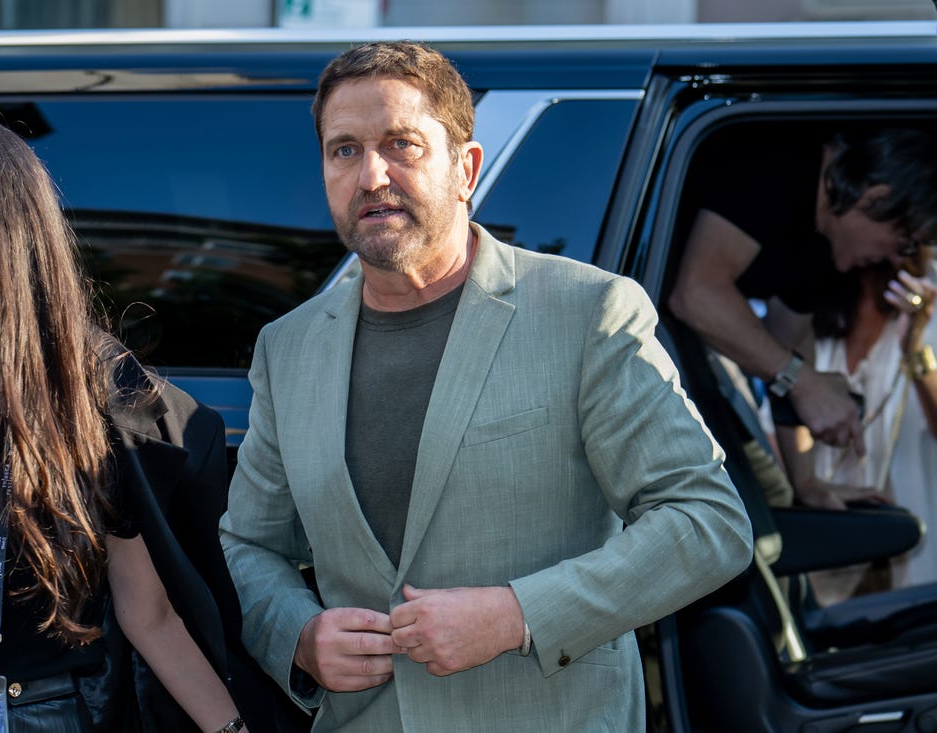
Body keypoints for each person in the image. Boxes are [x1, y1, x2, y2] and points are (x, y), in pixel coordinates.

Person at [219, 40, 753, 732]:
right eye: (344, 150)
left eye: (401, 144)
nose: (371, 175)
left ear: (465, 168)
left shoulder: (587, 312)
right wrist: (297, 633)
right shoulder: (286, 347)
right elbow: (247, 545)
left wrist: (517, 614)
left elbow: (707, 520)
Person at [0, 111, 252, 732]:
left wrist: (231, 729)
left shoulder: (93, 389)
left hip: (44, 712)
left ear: (4, 214)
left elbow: (149, 613)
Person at [668, 125, 937, 459]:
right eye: (905, 242)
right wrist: (804, 383)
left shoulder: (821, 244)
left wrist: (805, 481)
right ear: (875, 198)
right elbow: (695, 294)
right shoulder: (777, 165)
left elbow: (785, 345)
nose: (897, 259)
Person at [778, 252, 937, 603]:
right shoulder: (808, 319)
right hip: (825, 537)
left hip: (908, 542)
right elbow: (776, 425)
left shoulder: (926, 315)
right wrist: (806, 488)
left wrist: (916, 348)